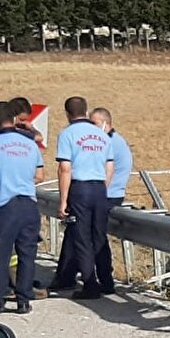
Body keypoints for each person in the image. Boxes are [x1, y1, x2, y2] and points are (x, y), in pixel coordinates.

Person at [0, 102, 44, 314]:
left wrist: (2, 179)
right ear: (15, 119)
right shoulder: (30, 144)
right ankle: (23, 300)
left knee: (1, 253)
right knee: (27, 254)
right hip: (29, 204)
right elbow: (40, 175)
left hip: (4, 205)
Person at [54, 96, 114, 300]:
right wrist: (103, 187)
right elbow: (109, 166)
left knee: (82, 238)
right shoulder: (102, 135)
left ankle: (90, 285)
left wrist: (63, 201)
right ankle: (106, 280)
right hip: (99, 188)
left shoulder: (67, 134)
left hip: (80, 188)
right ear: (86, 111)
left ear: (67, 114)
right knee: (99, 235)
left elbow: (65, 168)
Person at [91, 107, 132, 296]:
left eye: (94, 123)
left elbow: (104, 171)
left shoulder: (110, 143)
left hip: (109, 195)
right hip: (106, 193)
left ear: (105, 123)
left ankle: (105, 279)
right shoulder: (111, 140)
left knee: (97, 236)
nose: (91, 128)